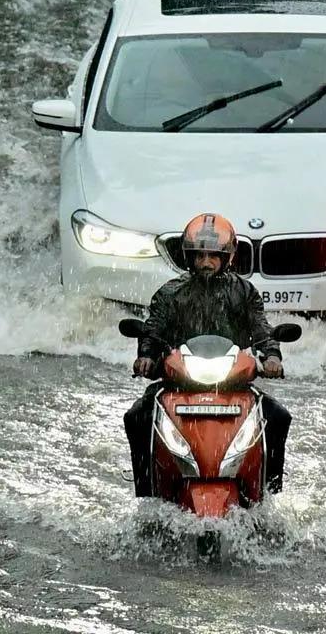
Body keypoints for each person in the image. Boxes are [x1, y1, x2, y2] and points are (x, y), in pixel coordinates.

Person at [124, 213, 292, 497]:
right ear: (189, 257)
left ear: (227, 257)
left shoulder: (244, 291)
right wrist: (146, 357)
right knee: (137, 416)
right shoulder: (171, 293)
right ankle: (149, 488)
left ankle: (268, 489)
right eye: (199, 255)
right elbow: (152, 331)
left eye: (213, 255)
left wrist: (272, 357)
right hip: (179, 381)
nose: (206, 262)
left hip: (233, 381)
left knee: (277, 416)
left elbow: (262, 329)